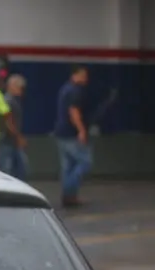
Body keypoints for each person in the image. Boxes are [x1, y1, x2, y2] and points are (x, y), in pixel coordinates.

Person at [54, 65, 92, 207]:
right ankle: (70, 190)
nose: (85, 78)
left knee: (67, 166)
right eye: (83, 75)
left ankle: (69, 196)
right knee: (85, 162)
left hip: (61, 132)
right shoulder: (75, 91)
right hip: (71, 133)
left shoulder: (65, 89)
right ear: (74, 75)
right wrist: (81, 130)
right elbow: (74, 112)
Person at [0, 74, 28, 181]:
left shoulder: (12, 100)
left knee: (16, 167)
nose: (22, 91)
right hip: (7, 140)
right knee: (9, 169)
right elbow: (8, 122)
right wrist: (18, 137)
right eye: (20, 87)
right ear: (12, 86)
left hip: (10, 140)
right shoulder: (9, 101)